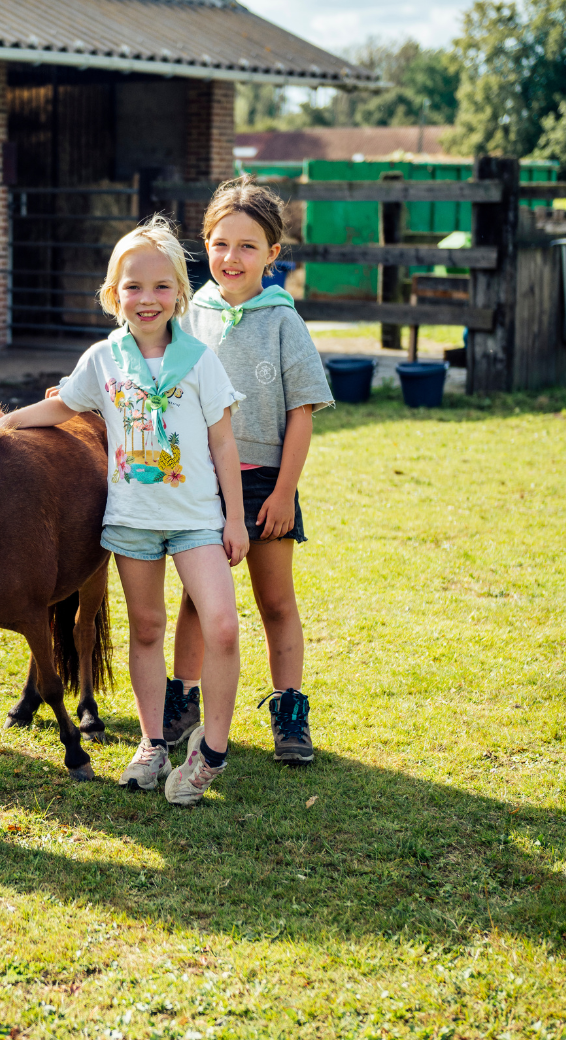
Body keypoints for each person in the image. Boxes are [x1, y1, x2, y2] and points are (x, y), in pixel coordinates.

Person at [0, 217, 247, 807]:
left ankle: (210, 752)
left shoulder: (201, 361)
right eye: (133, 286)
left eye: (162, 287)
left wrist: (235, 518)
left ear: (180, 296)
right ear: (114, 295)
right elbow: (62, 410)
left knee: (224, 627)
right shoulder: (102, 361)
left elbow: (224, 444)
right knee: (147, 629)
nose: (147, 298)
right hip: (132, 520)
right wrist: (3, 423)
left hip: (196, 520)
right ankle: (153, 744)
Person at [167, 176, 334, 765]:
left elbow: (302, 412)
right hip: (202, 484)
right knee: (196, 598)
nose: (230, 258)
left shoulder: (283, 321)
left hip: (265, 483)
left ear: (272, 254)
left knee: (275, 601)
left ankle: (289, 711)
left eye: (246, 246)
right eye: (219, 244)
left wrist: (285, 492)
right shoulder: (189, 316)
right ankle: (181, 700)